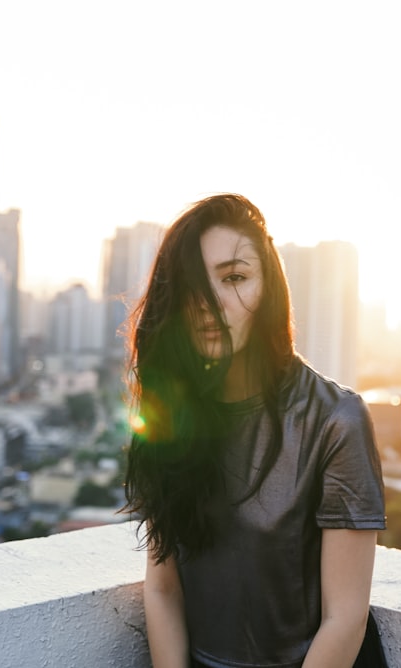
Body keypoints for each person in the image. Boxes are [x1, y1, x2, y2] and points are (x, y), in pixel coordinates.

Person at [123, 193, 386, 668]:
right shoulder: (170, 414)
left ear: (270, 289)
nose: (210, 303)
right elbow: (163, 588)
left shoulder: (335, 419)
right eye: (192, 285)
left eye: (235, 278)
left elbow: (346, 617)